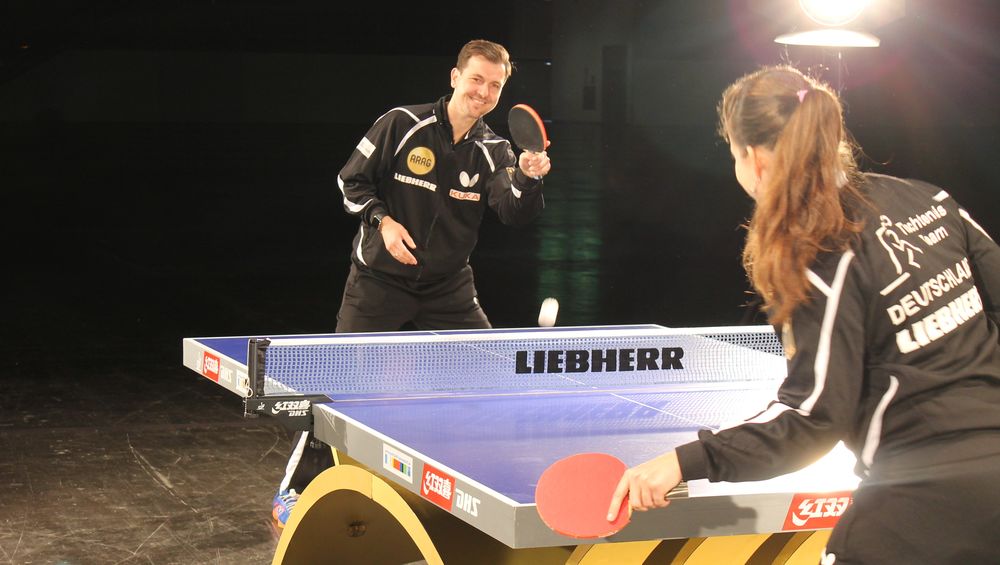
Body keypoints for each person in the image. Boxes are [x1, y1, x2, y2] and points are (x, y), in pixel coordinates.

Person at [608, 65, 1000, 563]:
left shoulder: (822, 257)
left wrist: (683, 462)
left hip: (924, 499)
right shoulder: (929, 200)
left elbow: (812, 417)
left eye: (733, 154)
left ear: (752, 158)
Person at [272, 39, 552, 527]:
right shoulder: (402, 123)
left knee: (486, 378)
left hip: (448, 286)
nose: (483, 92)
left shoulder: (497, 150)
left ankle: (477, 482)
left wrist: (527, 178)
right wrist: (383, 221)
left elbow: (511, 211)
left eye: (495, 85)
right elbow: (350, 183)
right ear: (454, 77)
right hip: (380, 279)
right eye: (476, 80)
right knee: (338, 388)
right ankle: (293, 488)